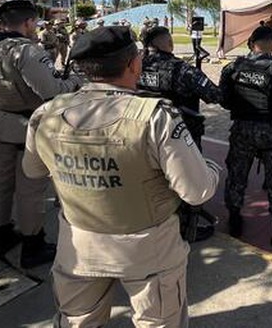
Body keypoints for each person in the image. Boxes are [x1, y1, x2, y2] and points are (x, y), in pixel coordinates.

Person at [22, 27, 219, 327]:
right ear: (133, 64)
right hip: (148, 247)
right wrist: (210, 169)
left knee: (77, 322)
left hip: (79, 244)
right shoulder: (155, 116)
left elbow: (32, 170)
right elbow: (197, 191)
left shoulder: (46, 113)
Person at [0, 0, 82, 268]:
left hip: (1, 123)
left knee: (3, 183)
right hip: (28, 128)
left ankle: (3, 234)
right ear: (29, 22)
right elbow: (53, 92)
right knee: (30, 189)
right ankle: (33, 244)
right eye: (35, 23)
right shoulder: (26, 51)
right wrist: (76, 81)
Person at [219, 25, 272, 247]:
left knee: (237, 177)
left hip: (242, 132)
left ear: (251, 44)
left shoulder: (231, 68)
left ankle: (235, 220)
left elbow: (224, 100)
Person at [137, 26, 222, 240]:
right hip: (181, 134)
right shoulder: (182, 69)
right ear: (168, 43)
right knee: (187, 177)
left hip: (143, 131)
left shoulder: (134, 66)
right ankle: (186, 226)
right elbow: (214, 95)